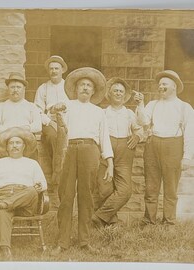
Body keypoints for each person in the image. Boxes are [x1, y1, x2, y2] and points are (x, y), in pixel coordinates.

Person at [51, 67, 114, 255]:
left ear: (93, 91)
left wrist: (109, 162)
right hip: (68, 150)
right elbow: (50, 115)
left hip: (90, 151)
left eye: (88, 86)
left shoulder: (99, 112)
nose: (85, 88)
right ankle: (62, 242)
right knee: (66, 196)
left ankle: (84, 241)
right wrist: (55, 110)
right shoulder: (67, 106)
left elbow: (105, 138)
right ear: (76, 89)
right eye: (82, 85)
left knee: (86, 197)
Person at [134, 70, 194, 226]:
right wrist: (140, 104)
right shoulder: (153, 105)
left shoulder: (184, 107)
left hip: (173, 146)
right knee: (151, 186)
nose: (160, 87)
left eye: (164, 84)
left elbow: (190, 133)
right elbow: (142, 122)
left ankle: (169, 222)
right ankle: (149, 221)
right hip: (153, 145)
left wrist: (187, 157)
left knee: (171, 188)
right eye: (159, 84)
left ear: (174, 87)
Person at [0, 127, 47, 260]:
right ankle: (5, 249)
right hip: (4, 195)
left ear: (24, 146)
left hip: (26, 202)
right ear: (7, 147)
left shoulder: (32, 163)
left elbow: (43, 184)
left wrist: (40, 186)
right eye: (11, 143)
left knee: (32, 190)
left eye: (18, 143)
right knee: (2, 213)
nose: (14, 146)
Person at [91, 77, 144, 229]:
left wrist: (137, 136)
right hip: (105, 150)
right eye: (115, 90)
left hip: (125, 151)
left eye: (121, 91)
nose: (118, 93)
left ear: (125, 95)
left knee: (125, 190)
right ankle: (110, 221)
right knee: (104, 188)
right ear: (109, 93)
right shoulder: (102, 113)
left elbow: (141, 130)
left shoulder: (129, 114)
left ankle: (99, 217)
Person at [34, 56, 69, 189]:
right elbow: (37, 109)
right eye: (51, 69)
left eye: (56, 68)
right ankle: (57, 173)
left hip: (67, 120)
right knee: (53, 137)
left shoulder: (69, 87)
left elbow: (75, 105)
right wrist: (49, 121)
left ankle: (64, 173)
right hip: (50, 122)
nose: (54, 71)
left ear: (62, 70)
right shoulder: (43, 88)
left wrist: (64, 107)